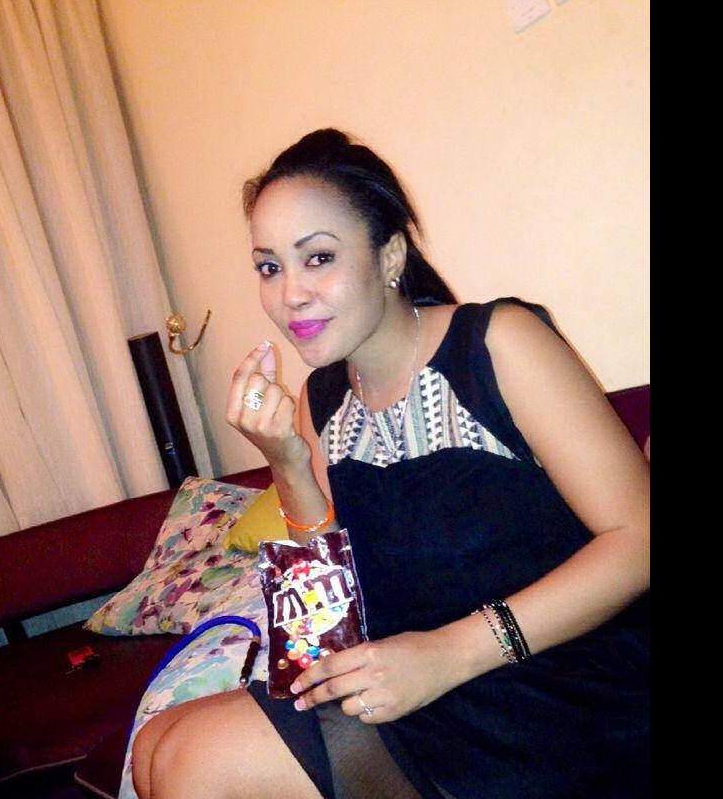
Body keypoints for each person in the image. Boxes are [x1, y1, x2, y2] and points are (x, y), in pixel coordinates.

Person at [131, 129, 649, 799]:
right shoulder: (323, 397)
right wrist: (287, 463)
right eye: (269, 267)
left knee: (193, 763)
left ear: (391, 255)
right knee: (155, 744)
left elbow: (639, 539)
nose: (290, 295)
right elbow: (322, 630)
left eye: (318, 258)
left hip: (557, 686)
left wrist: (447, 655)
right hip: (414, 690)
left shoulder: (496, 345)